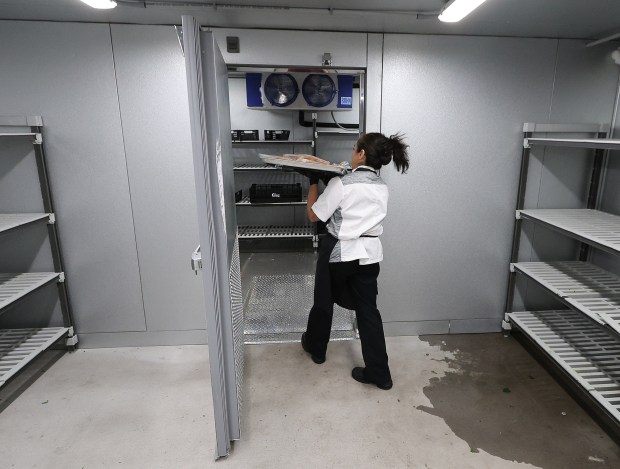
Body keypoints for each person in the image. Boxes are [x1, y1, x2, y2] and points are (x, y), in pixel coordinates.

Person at [299, 132, 410, 390]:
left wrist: (314, 182)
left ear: (361, 154)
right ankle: (380, 374)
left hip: (338, 252)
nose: (351, 153)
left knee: (323, 300)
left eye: (354, 148)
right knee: (368, 311)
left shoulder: (343, 184)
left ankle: (317, 349)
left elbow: (314, 215)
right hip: (369, 255)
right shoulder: (382, 186)